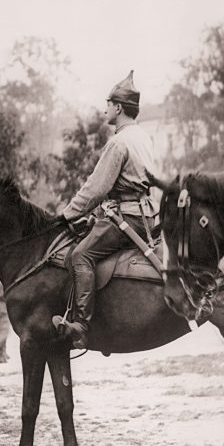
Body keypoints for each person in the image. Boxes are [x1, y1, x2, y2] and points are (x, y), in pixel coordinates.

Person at [52, 71, 159, 349]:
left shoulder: (118, 142)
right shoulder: (143, 137)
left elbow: (95, 189)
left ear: (119, 108)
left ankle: (82, 326)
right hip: (146, 215)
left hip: (127, 219)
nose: (105, 109)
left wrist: (66, 215)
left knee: (79, 255)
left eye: (108, 104)